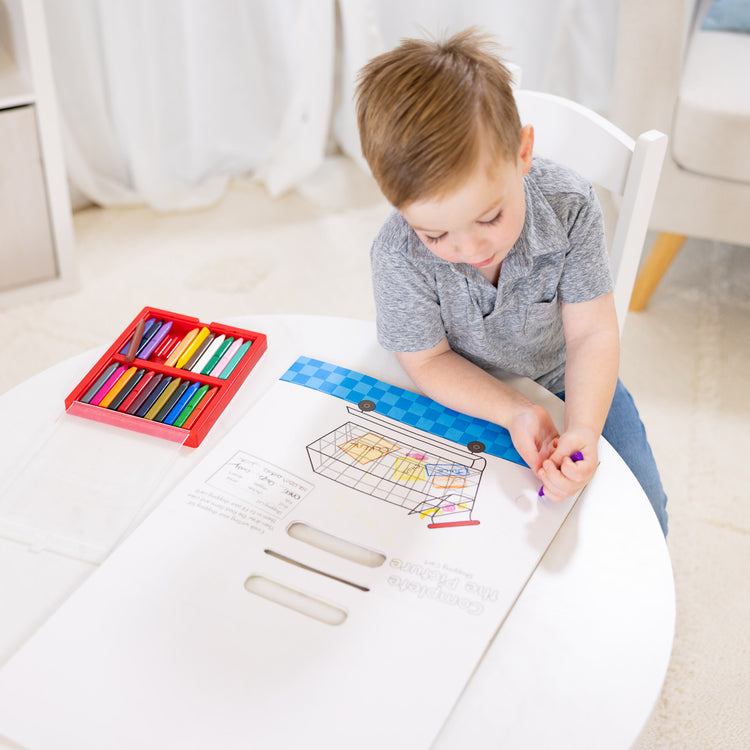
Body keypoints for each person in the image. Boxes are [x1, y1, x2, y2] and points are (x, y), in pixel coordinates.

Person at [355, 28, 668, 535]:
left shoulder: (569, 205)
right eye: (436, 234)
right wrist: (515, 411)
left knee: (642, 514)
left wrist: (584, 430)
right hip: (460, 388)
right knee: (443, 530)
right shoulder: (397, 253)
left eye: (490, 216)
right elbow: (426, 361)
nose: (471, 250)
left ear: (523, 153)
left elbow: (592, 334)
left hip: (565, 377)